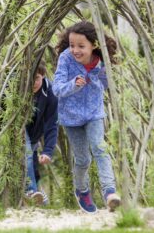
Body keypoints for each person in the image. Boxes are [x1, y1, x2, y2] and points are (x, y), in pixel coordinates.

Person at [52, 21, 120, 213]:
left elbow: (106, 85)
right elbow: (57, 88)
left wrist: (96, 78)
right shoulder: (65, 59)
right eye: (72, 45)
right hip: (70, 117)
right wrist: (74, 84)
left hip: (93, 113)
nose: (75, 50)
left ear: (94, 45)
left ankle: (109, 192)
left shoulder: (101, 61)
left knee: (100, 148)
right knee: (82, 160)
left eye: (81, 46)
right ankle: (82, 191)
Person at [25, 60, 58, 205]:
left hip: (34, 136)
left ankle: (39, 199)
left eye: (36, 78)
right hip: (16, 131)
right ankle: (31, 191)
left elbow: (51, 124)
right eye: (30, 79)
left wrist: (48, 151)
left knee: (31, 165)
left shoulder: (50, 93)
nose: (33, 83)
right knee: (25, 153)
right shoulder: (14, 85)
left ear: (43, 75)